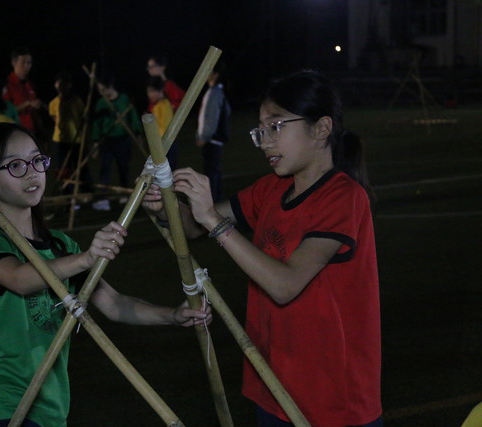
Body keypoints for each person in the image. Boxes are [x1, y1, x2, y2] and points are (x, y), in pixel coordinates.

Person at [144, 69, 382, 427]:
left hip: (331, 398)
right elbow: (192, 227)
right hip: (272, 383)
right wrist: (166, 207)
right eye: (260, 131)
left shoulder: (344, 197)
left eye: (276, 126)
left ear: (321, 128)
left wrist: (213, 220)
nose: (265, 142)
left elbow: (285, 285)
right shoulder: (270, 189)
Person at [0, 122, 211, 426]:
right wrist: (86, 258)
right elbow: (20, 279)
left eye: (37, 160)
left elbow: (114, 304)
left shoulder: (62, 246)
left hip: (50, 408)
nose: (32, 172)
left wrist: (171, 315)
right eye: (15, 166)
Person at [90, 74, 142, 211]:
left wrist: (137, 133)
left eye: (103, 89)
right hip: (107, 140)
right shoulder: (101, 103)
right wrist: (95, 142)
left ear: (110, 87)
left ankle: (124, 194)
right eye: (99, 90)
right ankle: (103, 198)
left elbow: (133, 117)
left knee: (123, 168)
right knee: (105, 169)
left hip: (123, 140)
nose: (101, 93)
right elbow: (97, 124)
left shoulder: (124, 99)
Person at [48, 71, 93, 193]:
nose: (62, 86)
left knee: (81, 167)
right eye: (59, 83)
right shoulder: (53, 103)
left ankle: (86, 192)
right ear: (56, 85)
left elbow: (83, 119)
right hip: (60, 141)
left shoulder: (76, 101)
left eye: (65, 84)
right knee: (63, 169)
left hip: (77, 140)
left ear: (69, 85)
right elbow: (56, 121)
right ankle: (67, 192)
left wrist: (84, 136)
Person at [196, 61, 231, 202]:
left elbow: (212, 117)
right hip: (212, 139)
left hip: (212, 140)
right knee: (213, 170)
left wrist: (204, 137)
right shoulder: (215, 91)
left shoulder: (215, 93)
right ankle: (216, 198)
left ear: (215, 75)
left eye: (208, 70)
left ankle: (214, 201)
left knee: (211, 172)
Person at [3, 47, 43, 134]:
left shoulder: (29, 84)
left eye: (29, 63)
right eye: (23, 62)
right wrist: (27, 103)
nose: (27, 66)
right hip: (16, 132)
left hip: (32, 132)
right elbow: (5, 112)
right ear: (14, 63)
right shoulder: (7, 84)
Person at [146, 76, 177, 170]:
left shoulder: (164, 105)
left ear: (160, 91)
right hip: (161, 145)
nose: (150, 95)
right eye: (148, 92)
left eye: (152, 91)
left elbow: (164, 127)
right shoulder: (157, 106)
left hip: (166, 145)